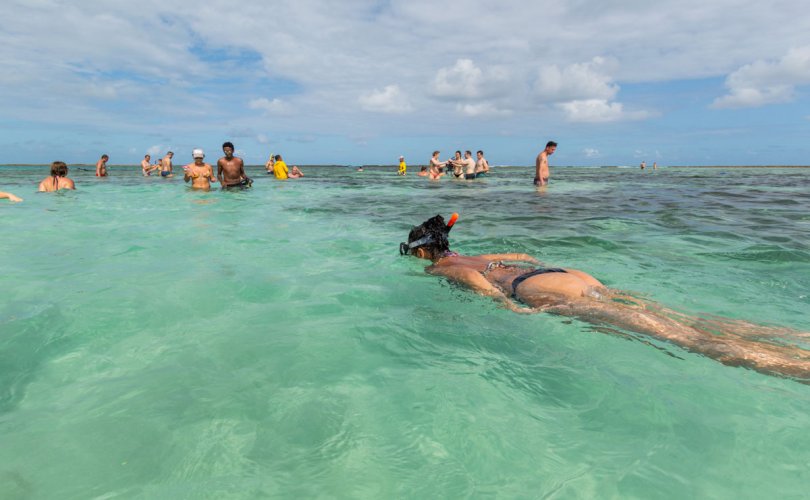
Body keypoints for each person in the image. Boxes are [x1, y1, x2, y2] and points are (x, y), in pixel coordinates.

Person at [400, 214, 810, 382]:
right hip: (563, 274)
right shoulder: (478, 253)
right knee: (685, 318)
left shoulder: (441, 267)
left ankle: (795, 368)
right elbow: (521, 256)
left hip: (535, 290)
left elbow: (472, 280)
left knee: (681, 338)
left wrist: (505, 305)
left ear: (422, 251)